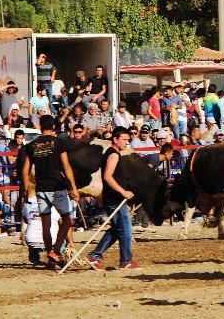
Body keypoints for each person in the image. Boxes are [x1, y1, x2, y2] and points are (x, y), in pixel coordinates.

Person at [21, 115, 80, 269]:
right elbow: (66, 166)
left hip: (41, 187)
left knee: (46, 224)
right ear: (54, 127)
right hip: (57, 186)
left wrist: (26, 190)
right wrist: (73, 188)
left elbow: (25, 171)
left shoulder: (32, 145)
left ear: (40, 126)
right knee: (67, 220)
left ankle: (50, 261)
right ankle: (55, 251)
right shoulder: (59, 142)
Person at [86, 127, 141, 271]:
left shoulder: (115, 153)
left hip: (114, 198)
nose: (126, 142)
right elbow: (107, 176)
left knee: (117, 230)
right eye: (124, 139)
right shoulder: (113, 155)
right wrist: (123, 192)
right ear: (115, 139)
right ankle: (125, 261)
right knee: (126, 230)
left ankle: (94, 256)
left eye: (128, 140)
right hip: (115, 199)